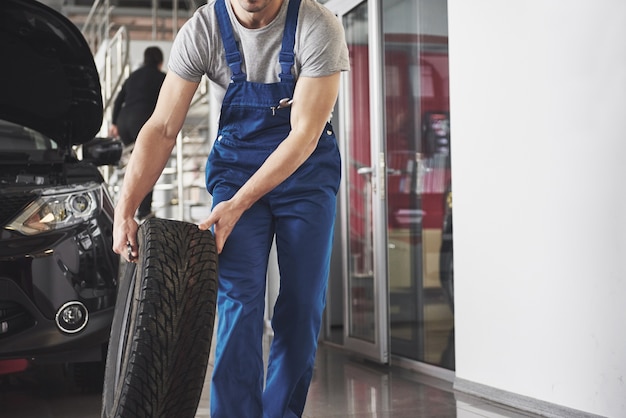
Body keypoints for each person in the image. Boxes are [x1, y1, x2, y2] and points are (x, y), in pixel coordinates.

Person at [112, 0, 349, 416]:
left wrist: (240, 203)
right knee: (238, 300)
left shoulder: (318, 26)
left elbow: (305, 134)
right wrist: (125, 207)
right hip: (236, 169)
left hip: (305, 173)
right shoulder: (202, 30)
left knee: (302, 304)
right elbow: (163, 127)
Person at [110, 46, 166, 220]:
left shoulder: (133, 76)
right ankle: (143, 211)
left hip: (124, 122)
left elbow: (118, 99)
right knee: (149, 165)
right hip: (141, 122)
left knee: (135, 165)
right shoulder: (162, 77)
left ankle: (126, 207)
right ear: (160, 62)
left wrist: (114, 123)